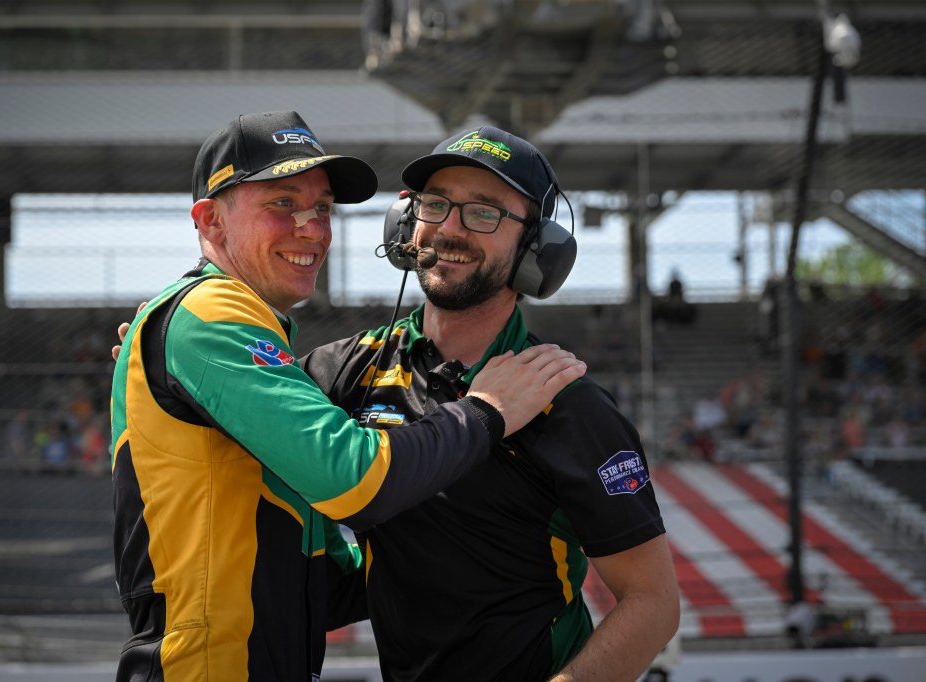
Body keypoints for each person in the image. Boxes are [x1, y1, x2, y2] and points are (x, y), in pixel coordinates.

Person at [109, 111, 586, 681]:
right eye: (283, 203)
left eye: (322, 208)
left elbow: (323, 585)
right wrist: (485, 411)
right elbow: (351, 478)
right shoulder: (211, 312)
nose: (312, 228)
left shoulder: (230, 332)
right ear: (211, 221)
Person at [301, 126, 679, 681]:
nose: (450, 228)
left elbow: (653, 602)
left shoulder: (570, 407)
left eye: (484, 212)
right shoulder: (344, 372)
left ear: (536, 249)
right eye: (436, 204)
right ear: (406, 221)